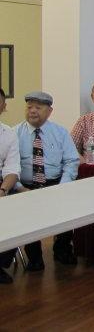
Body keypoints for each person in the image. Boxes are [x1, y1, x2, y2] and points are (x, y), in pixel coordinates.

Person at [15, 92, 80, 270]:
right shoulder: (15, 133)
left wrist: (63, 186)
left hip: (55, 183)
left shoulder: (60, 132)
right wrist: (19, 187)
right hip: (25, 187)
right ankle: (34, 257)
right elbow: (9, 166)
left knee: (66, 214)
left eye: (38, 107)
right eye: (29, 107)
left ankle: (62, 250)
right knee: (29, 222)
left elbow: (71, 161)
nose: (32, 111)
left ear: (49, 111)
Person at [0, 88, 20, 283]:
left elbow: (12, 169)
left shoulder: (9, 134)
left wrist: (3, 190)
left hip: (1, 184)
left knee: (17, 209)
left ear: (3, 107)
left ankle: (0, 263)